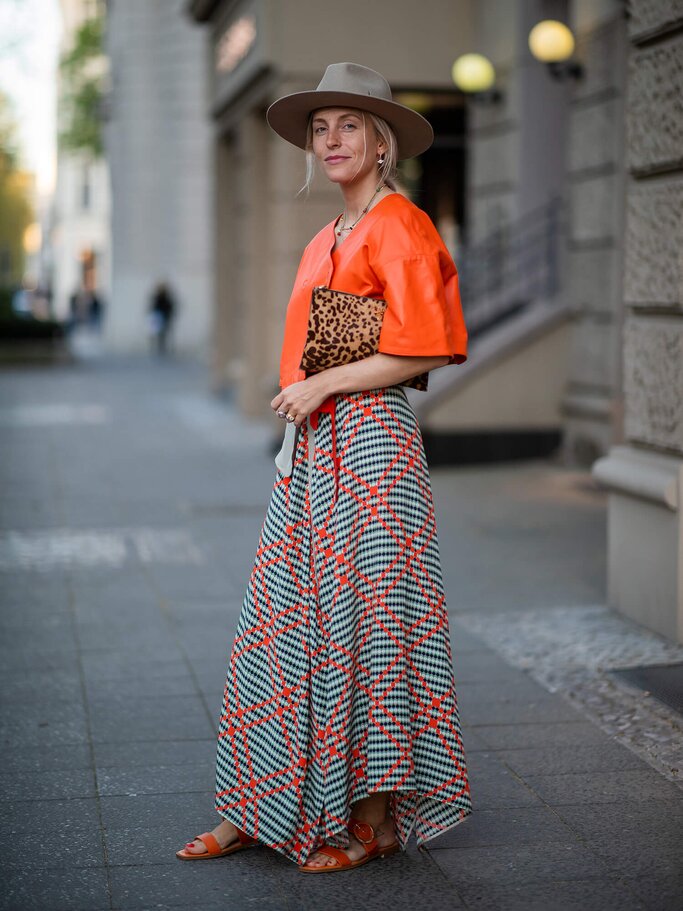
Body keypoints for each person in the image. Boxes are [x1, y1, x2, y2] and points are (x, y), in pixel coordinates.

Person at [176, 62, 472, 873]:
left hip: (372, 443)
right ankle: (260, 804)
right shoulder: (324, 237)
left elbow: (424, 345)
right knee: (279, 622)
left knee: (367, 626)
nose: (332, 139)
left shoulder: (399, 224)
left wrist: (324, 383)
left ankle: (371, 820)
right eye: (320, 127)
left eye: (349, 124)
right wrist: (310, 393)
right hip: (315, 446)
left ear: (381, 142)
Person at [148, 281, 176, 354]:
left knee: (163, 334)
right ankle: (159, 348)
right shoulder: (158, 297)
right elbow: (153, 306)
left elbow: (170, 307)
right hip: (159, 317)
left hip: (165, 317)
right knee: (158, 334)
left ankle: (162, 348)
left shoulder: (166, 297)